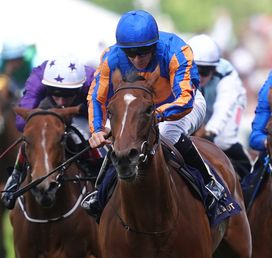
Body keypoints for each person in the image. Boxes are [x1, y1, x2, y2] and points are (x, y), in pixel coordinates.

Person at [82, 10, 222, 215]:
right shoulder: (110, 58)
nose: (138, 59)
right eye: (131, 54)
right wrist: (96, 129)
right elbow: (97, 96)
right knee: (121, 139)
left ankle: (209, 183)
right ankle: (100, 192)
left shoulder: (177, 51)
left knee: (166, 134)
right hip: (136, 109)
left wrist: (154, 116)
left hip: (181, 106)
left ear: (155, 45)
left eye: (144, 51)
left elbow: (185, 99)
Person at [1, 54, 100, 209]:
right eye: (56, 93)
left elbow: (104, 114)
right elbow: (22, 124)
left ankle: (99, 175)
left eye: (67, 94)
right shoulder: (37, 79)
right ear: (46, 87)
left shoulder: (92, 81)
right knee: (33, 132)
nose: (61, 102)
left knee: (91, 135)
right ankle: (16, 175)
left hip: (82, 110)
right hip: (47, 108)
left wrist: (97, 130)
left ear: (80, 87)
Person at [187, 34, 251, 179]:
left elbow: (223, 108)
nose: (200, 77)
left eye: (205, 72)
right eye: (196, 70)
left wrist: (209, 132)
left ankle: (247, 173)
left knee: (223, 140)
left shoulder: (227, 76)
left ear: (215, 69)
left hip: (231, 103)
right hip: (204, 104)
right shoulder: (181, 71)